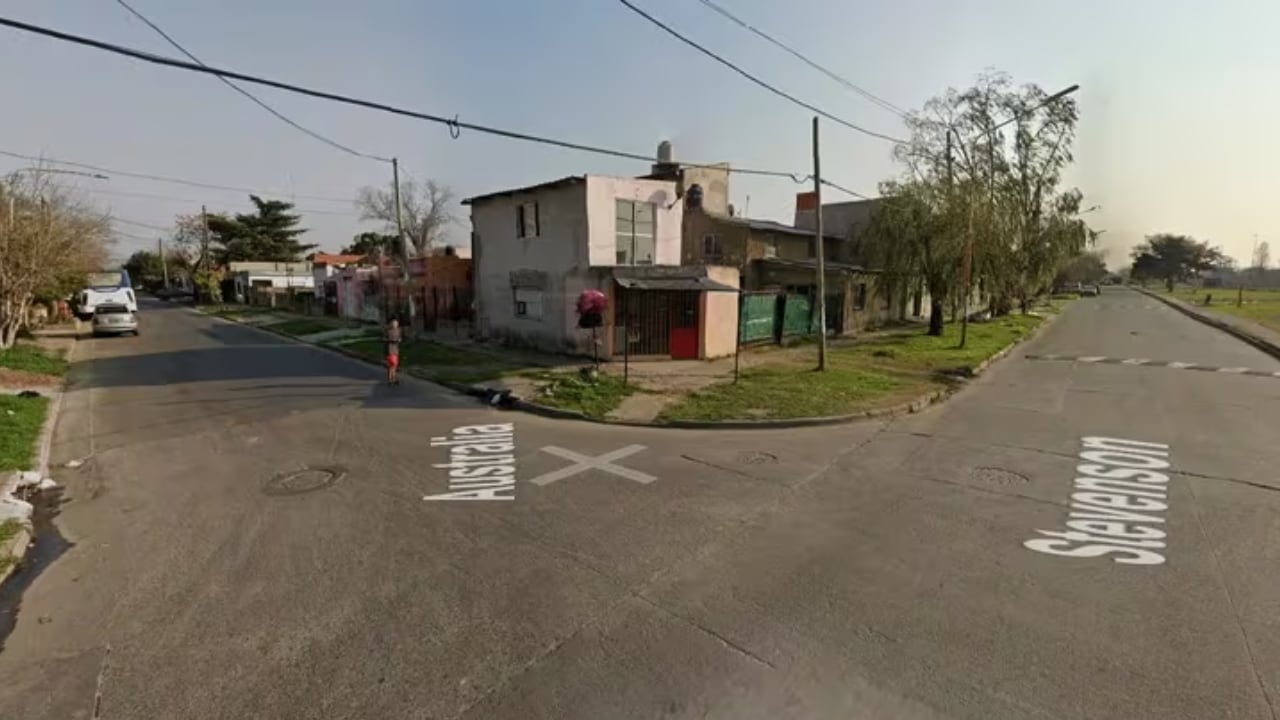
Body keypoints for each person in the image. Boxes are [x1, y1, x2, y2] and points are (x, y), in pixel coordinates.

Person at [385, 317, 402, 385]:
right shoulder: (388, 331)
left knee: (394, 366)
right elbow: (384, 339)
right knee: (392, 364)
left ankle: (393, 379)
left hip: (396, 349)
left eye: (396, 323)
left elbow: (399, 337)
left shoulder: (398, 330)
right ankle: (391, 379)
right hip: (390, 349)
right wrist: (391, 340)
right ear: (391, 324)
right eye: (393, 323)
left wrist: (399, 340)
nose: (395, 324)